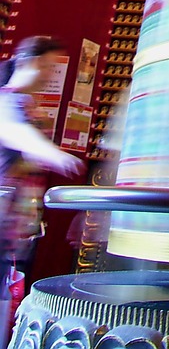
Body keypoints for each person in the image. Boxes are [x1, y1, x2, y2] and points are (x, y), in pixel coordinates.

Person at [0, 37, 83, 343]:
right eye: (48, 66)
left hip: (15, 226)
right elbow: (17, 135)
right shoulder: (8, 100)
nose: (50, 75)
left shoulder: (28, 104)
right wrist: (56, 155)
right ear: (30, 62)